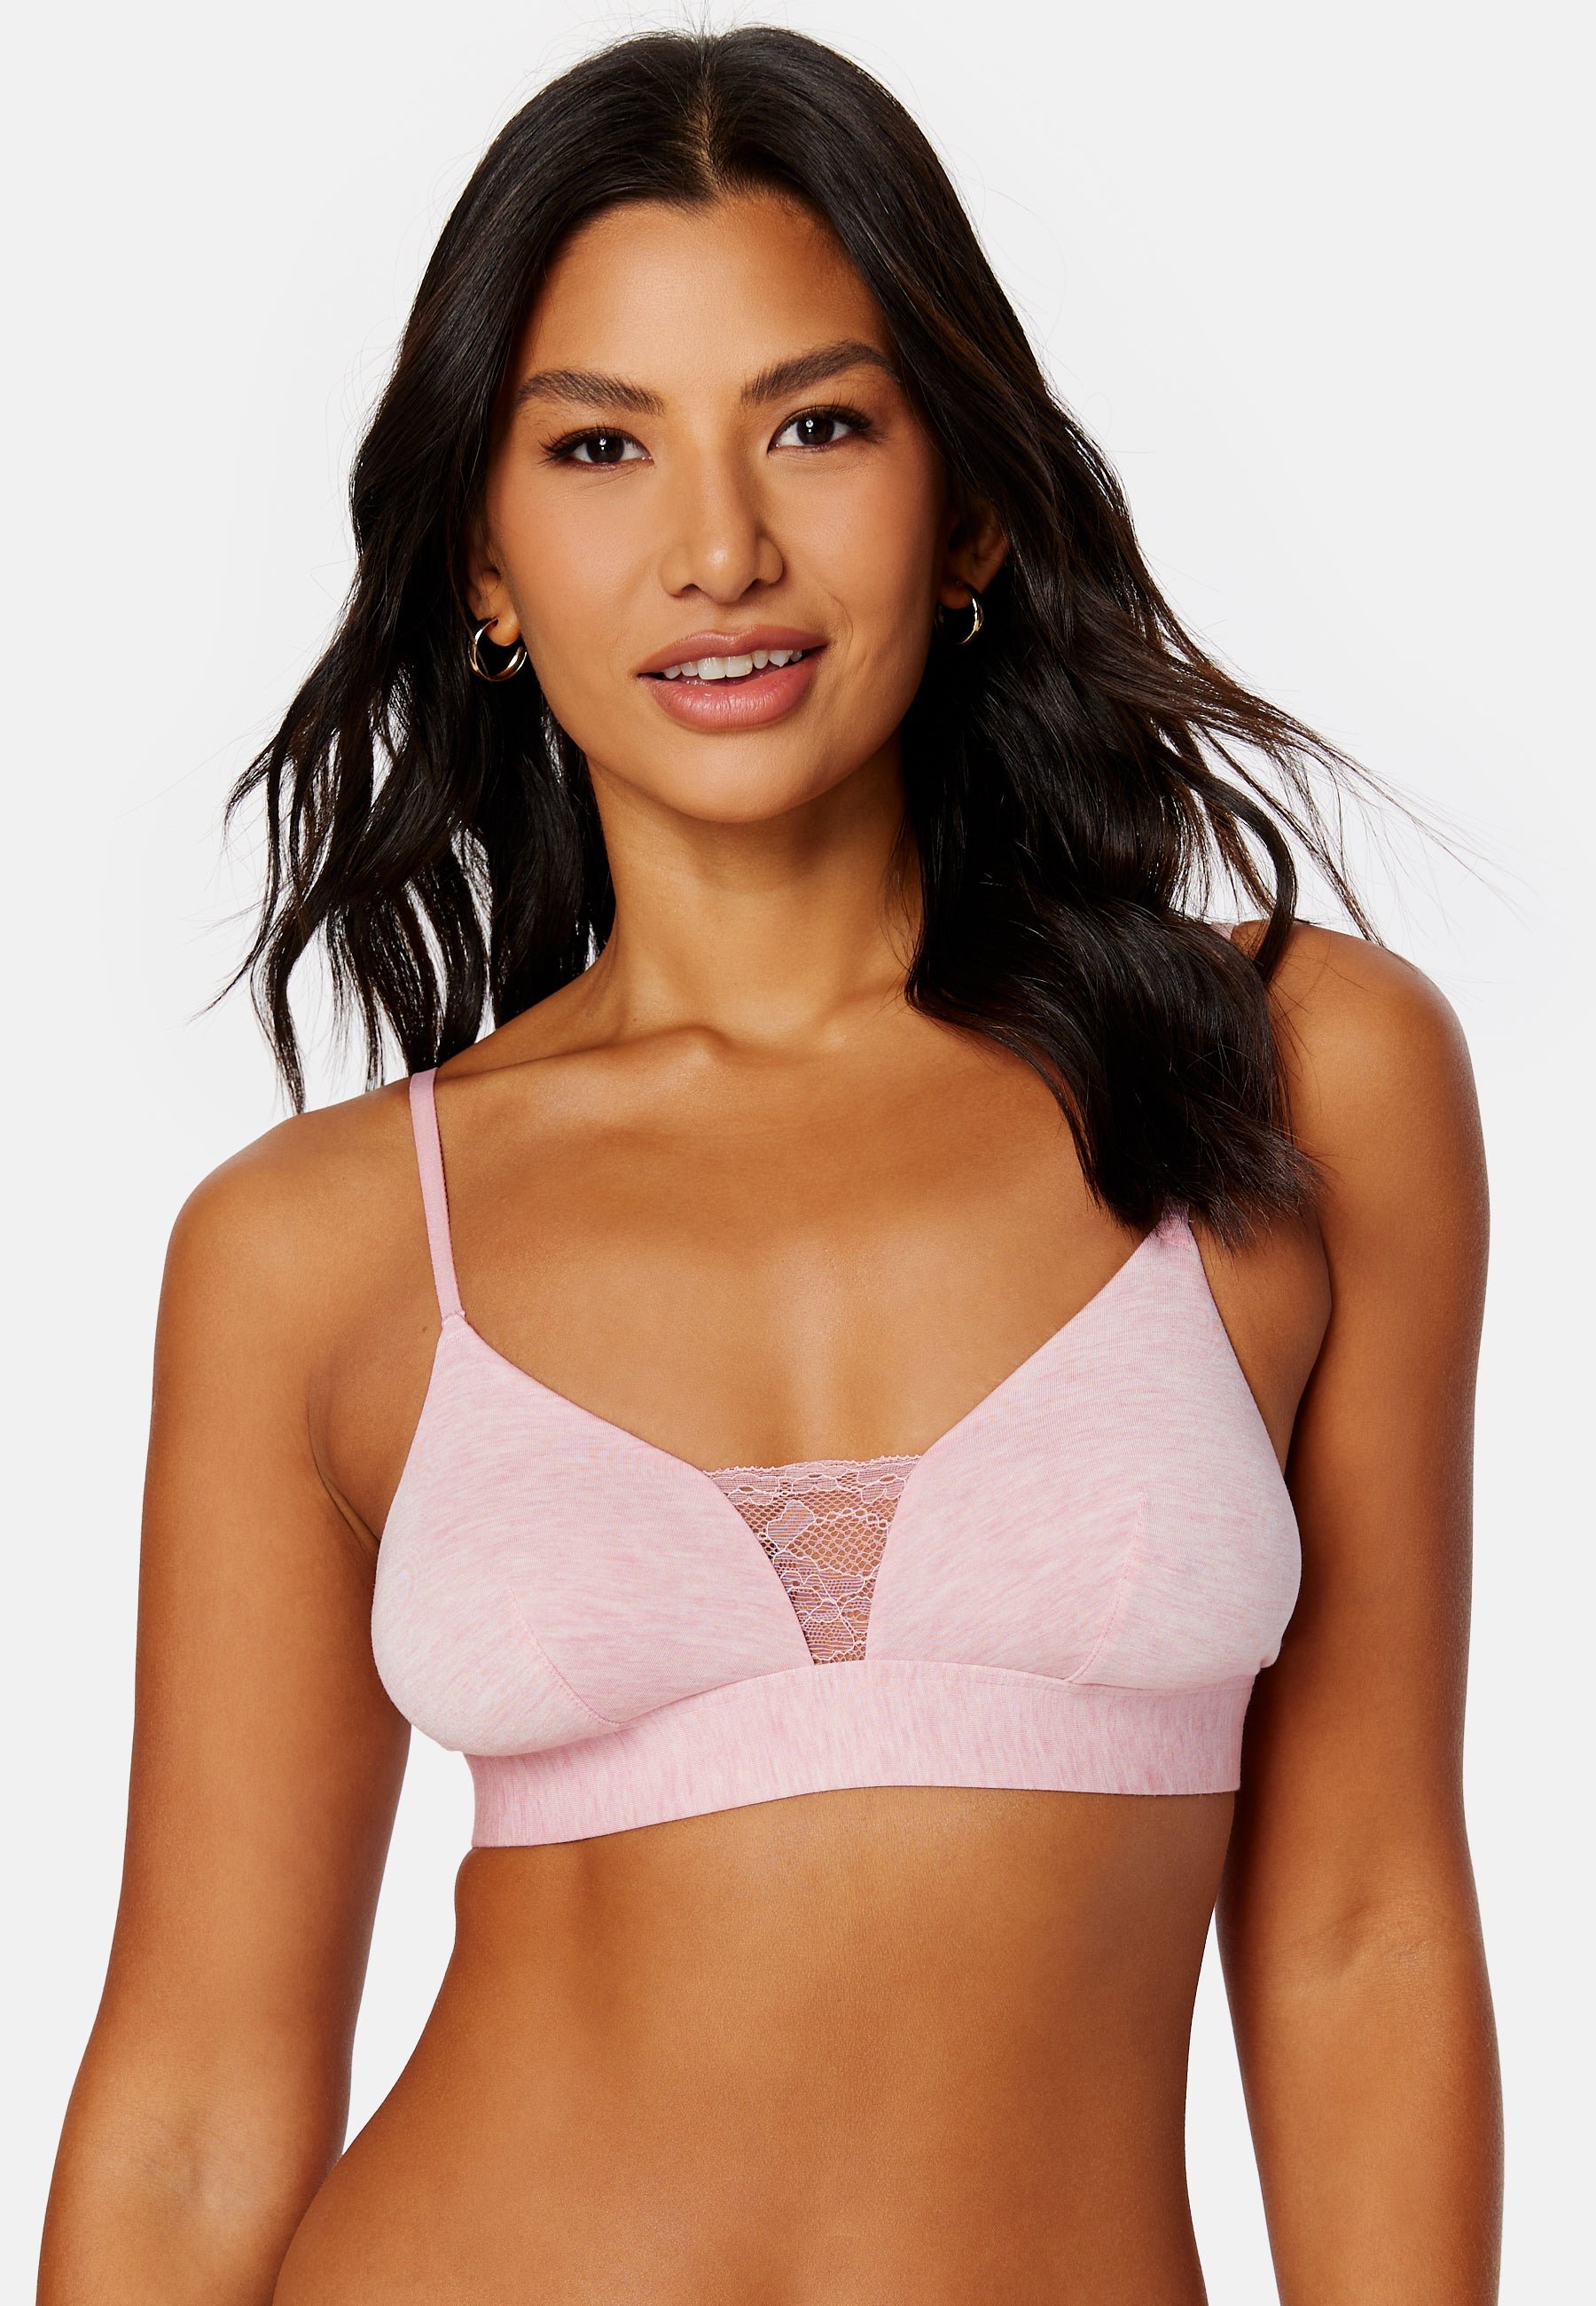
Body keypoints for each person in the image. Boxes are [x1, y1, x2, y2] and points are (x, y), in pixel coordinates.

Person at [38, 26, 1503, 2304]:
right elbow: (197, 2112)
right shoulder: (321, 1245)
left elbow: (1361, 1933)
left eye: (818, 425)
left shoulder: (1299, 1078)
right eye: (599, 447)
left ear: (972, 503)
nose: (719, 549)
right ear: (486, 561)